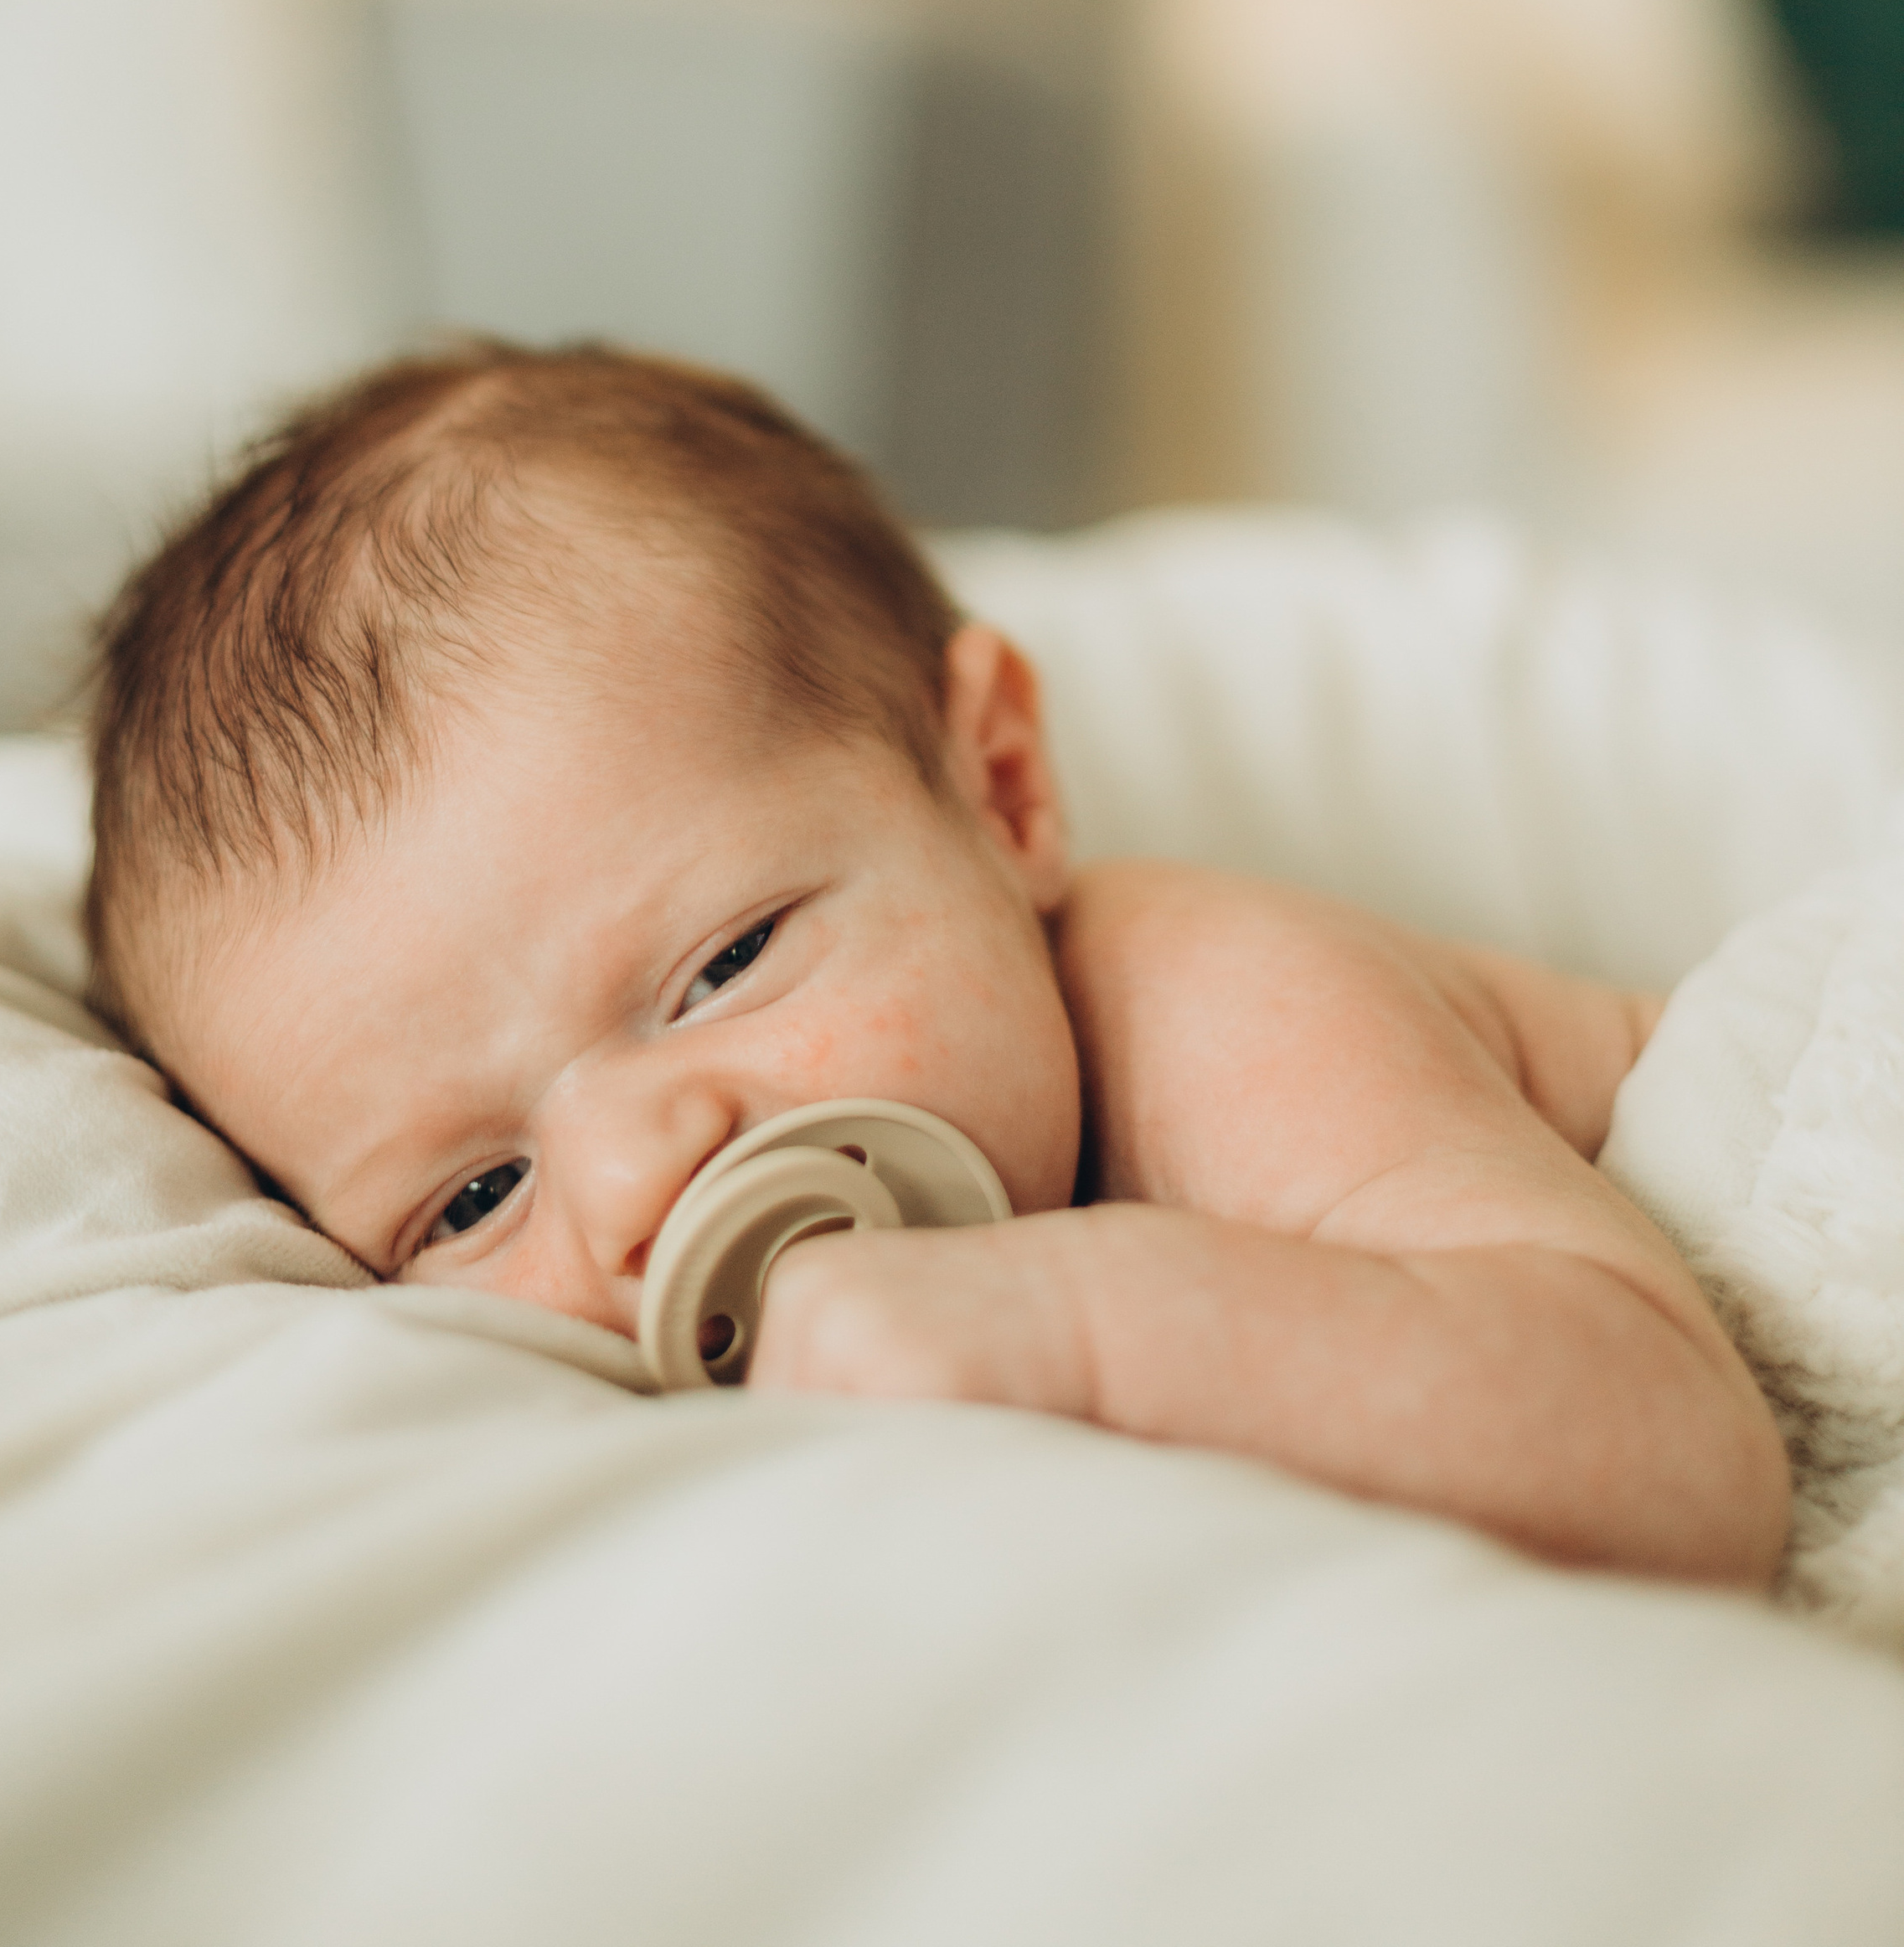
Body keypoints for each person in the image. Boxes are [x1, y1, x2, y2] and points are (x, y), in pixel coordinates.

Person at [85, 340, 1789, 1589]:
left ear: (1001, 788)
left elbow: (1670, 1452)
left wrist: (1068, 1332)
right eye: (471, 1201)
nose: (632, 1187)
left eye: (726, 964)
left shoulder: (1206, 1009)